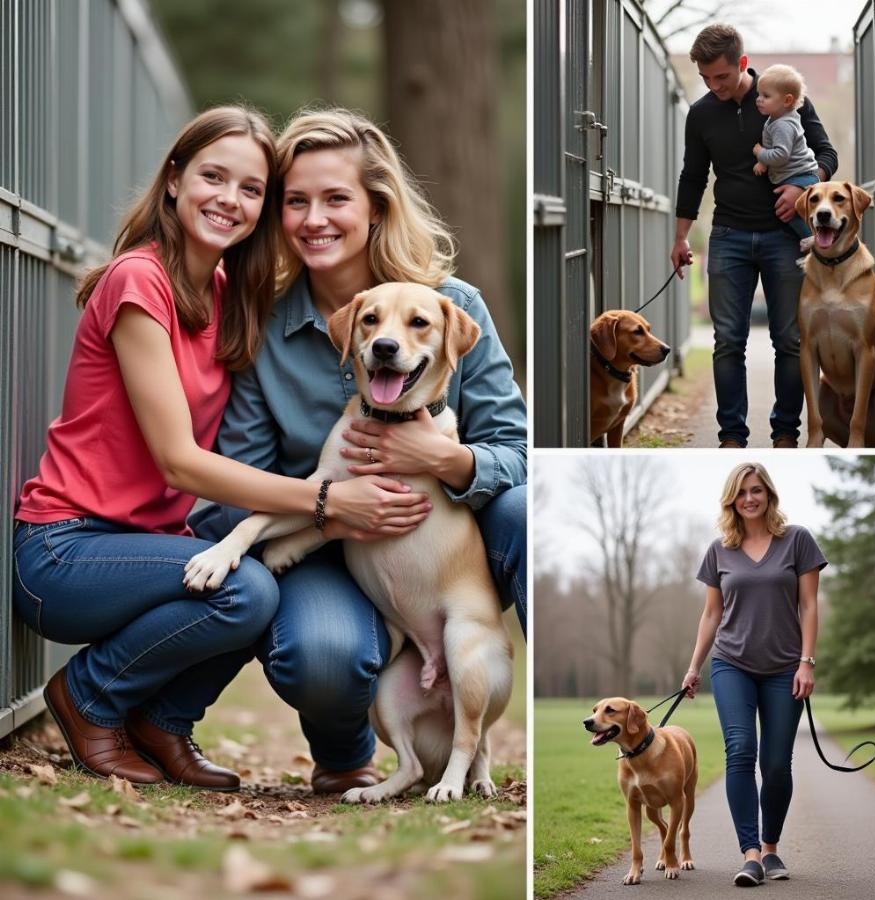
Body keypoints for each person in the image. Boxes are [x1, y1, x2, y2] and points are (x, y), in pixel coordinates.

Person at [13, 106, 428, 790]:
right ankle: (89, 696)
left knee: (247, 573)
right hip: (67, 547)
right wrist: (328, 500)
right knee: (243, 586)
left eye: (250, 189)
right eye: (212, 176)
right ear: (174, 179)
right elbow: (180, 461)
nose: (228, 200)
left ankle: (162, 724)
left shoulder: (232, 295)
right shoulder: (138, 281)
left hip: (147, 543)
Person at [189, 107, 527, 795]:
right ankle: (345, 749)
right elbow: (235, 490)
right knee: (324, 654)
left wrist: (440, 460)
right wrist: (331, 509)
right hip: (323, 544)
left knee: (525, 512)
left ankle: (499, 710)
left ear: (376, 207)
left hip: (444, 545)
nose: (315, 218)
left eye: (336, 198)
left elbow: (516, 452)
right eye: (296, 201)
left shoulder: (453, 305)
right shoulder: (264, 322)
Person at [670, 24, 838, 449]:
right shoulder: (702, 113)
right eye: (706, 79)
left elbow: (827, 154)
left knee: (790, 341)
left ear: (742, 64)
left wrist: (804, 188)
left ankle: (785, 434)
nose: (714, 86)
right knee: (727, 342)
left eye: (721, 77)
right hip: (728, 236)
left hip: (785, 237)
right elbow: (693, 177)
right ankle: (731, 437)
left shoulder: (784, 96)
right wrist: (681, 238)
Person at [681, 462, 826, 886]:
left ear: (769, 495)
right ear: (732, 499)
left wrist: (807, 661)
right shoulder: (719, 550)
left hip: (785, 668)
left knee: (777, 764)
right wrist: (693, 668)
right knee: (740, 750)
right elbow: (711, 614)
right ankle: (750, 856)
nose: (749, 498)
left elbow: (810, 606)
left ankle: (771, 848)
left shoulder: (796, 540)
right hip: (731, 664)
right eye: (742, 491)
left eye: (757, 490)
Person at [751, 64, 820, 254]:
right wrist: (764, 162)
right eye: (759, 94)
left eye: (766, 96)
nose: (758, 100)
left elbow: (781, 155)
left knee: (789, 213)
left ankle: (810, 236)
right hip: (796, 174)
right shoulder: (776, 118)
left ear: (787, 100)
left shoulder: (783, 125)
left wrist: (760, 153)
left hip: (800, 177)